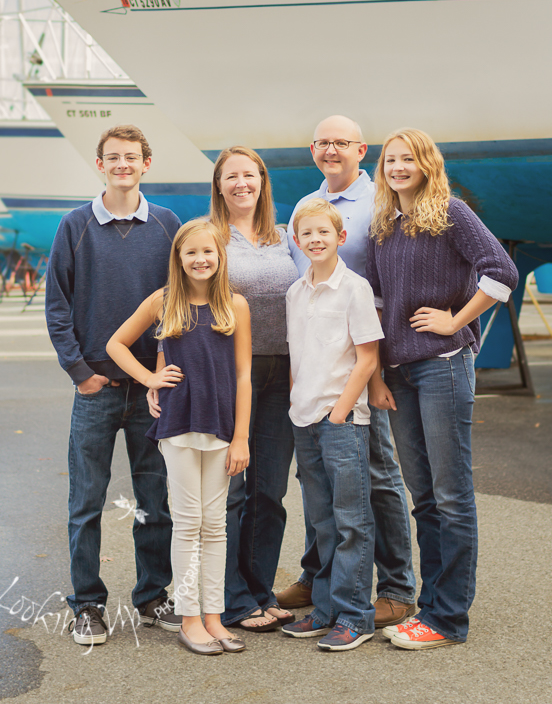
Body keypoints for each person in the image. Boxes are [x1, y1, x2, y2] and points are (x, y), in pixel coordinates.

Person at [367, 128, 518, 649]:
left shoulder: (450, 211)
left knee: (452, 496)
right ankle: (430, 609)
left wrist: (457, 321)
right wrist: (379, 373)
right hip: (401, 375)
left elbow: (501, 271)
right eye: (391, 160)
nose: (399, 167)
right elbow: (380, 304)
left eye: (409, 159)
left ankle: (448, 618)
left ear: (427, 164)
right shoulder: (386, 225)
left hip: (443, 367)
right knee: (425, 497)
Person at [45, 124, 182, 646]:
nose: (122, 164)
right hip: (98, 389)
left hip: (151, 390)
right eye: (113, 157)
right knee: (87, 502)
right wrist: (80, 373)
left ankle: (153, 597)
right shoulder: (75, 225)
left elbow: (179, 305)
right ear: (99, 164)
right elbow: (58, 307)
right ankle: (87, 605)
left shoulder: (167, 224)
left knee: (155, 499)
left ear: (146, 163)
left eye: (132, 157)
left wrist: (162, 374)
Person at [279, 115, 417, 631]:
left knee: (374, 482)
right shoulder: (305, 206)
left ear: (362, 149)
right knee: (324, 499)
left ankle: (395, 589)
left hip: (360, 366)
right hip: (315, 367)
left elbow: (384, 283)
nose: (330, 150)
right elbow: (299, 278)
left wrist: (373, 377)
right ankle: (326, 588)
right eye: (322, 142)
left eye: (341, 142)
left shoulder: (380, 202)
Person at [106, 219, 253, 656]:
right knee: (189, 523)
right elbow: (116, 344)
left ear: (220, 256)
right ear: (179, 259)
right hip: (179, 424)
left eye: (208, 252)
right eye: (191, 253)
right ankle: (190, 619)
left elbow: (244, 374)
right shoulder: (163, 301)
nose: (200, 259)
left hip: (223, 425)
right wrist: (150, 376)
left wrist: (242, 435)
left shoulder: (236, 306)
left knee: (217, 524)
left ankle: (214, 616)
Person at [281, 200, 384, 651]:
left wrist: (340, 411)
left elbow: (368, 358)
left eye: (324, 232)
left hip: (340, 420)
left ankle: (356, 616)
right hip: (303, 417)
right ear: (298, 242)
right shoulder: (294, 293)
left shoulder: (354, 288)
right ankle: (325, 610)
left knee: (351, 522)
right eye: (307, 234)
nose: (316, 240)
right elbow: (297, 358)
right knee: (322, 522)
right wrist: (295, 403)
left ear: (340, 238)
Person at [211, 147, 300, 631]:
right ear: (219, 186)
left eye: (250, 175)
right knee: (231, 491)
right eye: (232, 177)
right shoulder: (210, 238)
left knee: (270, 492)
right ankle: (231, 597)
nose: (241, 183)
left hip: (282, 375)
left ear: (262, 181)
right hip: (231, 374)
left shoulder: (285, 238)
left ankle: (260, 590)